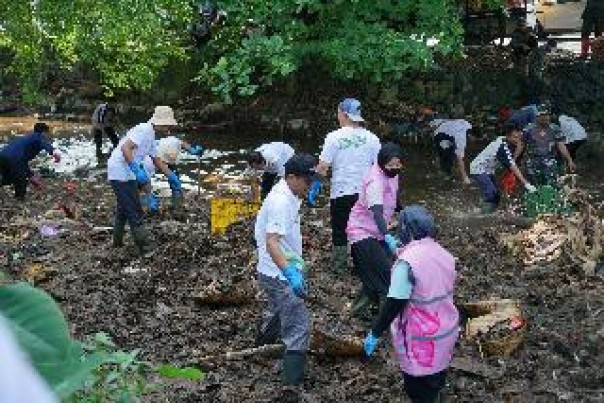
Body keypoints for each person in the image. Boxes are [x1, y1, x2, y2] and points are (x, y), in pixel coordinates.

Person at [363, 205, 459, 403]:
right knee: (435, 382)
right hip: (445, 334)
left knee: (418, 390)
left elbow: (394, 303)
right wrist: (398, 251)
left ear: (406, 230)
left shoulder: (406, 264)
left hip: (420, 340)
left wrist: (375, 332)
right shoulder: (445, 255)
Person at [253, 153, 317, 401]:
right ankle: (290, 386)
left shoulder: (288, 191)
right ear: (291, 177)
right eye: (307, 180)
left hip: (270, 270)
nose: (310, 184)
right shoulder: (281, 200)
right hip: (280, 272)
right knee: (298, 327)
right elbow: (271, 242)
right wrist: (290, 273)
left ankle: (261, 345)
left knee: (278, 310)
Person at [315, 98, 381, 273]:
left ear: (344, 114)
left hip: (341, 191)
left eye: (338, 113)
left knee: (340, 228)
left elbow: (322, 168)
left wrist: (315, 187)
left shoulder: (333, 137)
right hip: (365, 193)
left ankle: (339, 266)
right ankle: (362, 266)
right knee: (362, 229)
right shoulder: (372, 138)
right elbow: (379, 169)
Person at [107, 106, 182, 256]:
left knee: (124, 208)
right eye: (167, 125)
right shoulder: (143, 129)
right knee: (135, 211)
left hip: (126, 172)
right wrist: (135, 168)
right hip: (120, 171)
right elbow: (125, 148)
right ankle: (146, 249)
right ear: (160, 122)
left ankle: (117, 243)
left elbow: (156, 159)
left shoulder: (151, 135)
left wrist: (171, 176)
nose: (168, 128)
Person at [346, 143, 404, 317]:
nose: (394, 169)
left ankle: (358, 309)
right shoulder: (375, 181)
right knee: (387, 275)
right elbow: (377, 213)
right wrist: (388, 236)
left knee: (375, 272)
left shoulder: (393, 174)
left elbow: (394, 195)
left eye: (398, 165)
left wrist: (404, 211)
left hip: (378, 230)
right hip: (362, 231)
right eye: (391, 166)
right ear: (381, 163)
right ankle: (387, 320)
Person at [470, 122, 536, 213]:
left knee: (497, 195)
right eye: (514, 137)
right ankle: (482, 215)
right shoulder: (501, 147)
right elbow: (512, 165)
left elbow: (513, 160)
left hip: (489, 170)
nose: (517, 140)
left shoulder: (507, 141)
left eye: (518, 137)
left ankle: (487, 210)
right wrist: (525, 183)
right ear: (508, 136)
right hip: (478, 168)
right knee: (490, 192)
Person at [141, 136, 204, 211]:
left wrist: (192, 150)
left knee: (175, 180)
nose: (167, 166)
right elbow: (145, 182)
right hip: (148, 163)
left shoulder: (173, 142)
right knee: (141, 186)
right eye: (165, 163)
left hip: (165, 156)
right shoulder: (148, 162)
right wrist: (149, 194)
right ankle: (145, 204)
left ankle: (177, 206)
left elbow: (181, 143)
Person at [0, 123, 61, 201]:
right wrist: (55, 153)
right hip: (15, 159)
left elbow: (22, 161)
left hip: (2, 156)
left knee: (8, 178)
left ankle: (18, 196)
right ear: (44, 132)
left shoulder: (27, 137)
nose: (48, 136)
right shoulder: (39, 136)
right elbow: (46, 145)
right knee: (21, 180)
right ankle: (19, 199)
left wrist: (31, 176)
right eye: (48, 133)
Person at [520, 105, 575, 187]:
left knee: (551, 186)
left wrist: (569, 160)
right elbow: (521, 145)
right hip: (532, 162)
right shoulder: (528, 129)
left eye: (546, 115)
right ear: (537, 116)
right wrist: (514, 160)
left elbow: (561, 146)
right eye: (541, 115)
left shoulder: (555, 128)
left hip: (550, 162)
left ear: (549, 115)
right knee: (534, 187)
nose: (544, 117)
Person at [430, 117, 472, 184]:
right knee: (446, 156)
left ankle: (446, 169)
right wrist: (465, 178)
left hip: (442, 131)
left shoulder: (466, 124)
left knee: (449, 153)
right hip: (440, 135)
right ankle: (446, 173)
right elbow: (460, 158)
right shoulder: (461, 137)